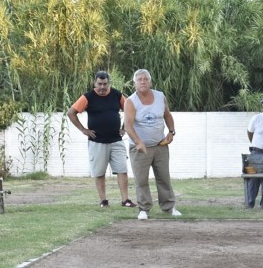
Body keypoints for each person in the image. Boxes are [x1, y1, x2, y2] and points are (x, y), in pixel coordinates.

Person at [67, 70, 136, 208]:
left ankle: (125, 200)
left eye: (105, 84)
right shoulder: (88, 97)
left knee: (122, 170)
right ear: (95, 83)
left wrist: (125, 128)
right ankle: (104, 201)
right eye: (100, 84)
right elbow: (71, 112)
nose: (102, 87)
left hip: (116, 140)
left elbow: (130, 110)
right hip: (96, 141)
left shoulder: (117, 95)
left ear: (108, 83)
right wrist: (83, 130)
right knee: (99, 172)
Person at [123, 69, 181, 220]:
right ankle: (144, 209)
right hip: (139, 148)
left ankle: (169, 207)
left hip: (160, 145)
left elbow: (167, 115)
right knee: (141, 179)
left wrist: (171, 132)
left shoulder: (160, 96)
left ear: (150, 81)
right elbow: (128, 126)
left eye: (145, 79)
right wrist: (138, 142)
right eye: (139, 79)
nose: (143, 81)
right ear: (134, 83)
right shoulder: (130, 101)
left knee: (163, 177)